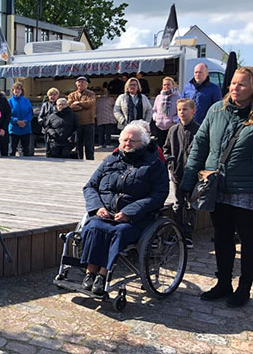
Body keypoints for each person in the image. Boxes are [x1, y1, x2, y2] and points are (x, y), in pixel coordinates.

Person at [181, 67, 253, 307]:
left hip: (246, 191)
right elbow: (199, 146)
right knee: (221, 238)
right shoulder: (216, 111)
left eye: (241, 84)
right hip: (216, 186)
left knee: (248, 241)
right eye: (233, 83)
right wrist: (188, 180)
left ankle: (244, 288)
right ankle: (223, 283)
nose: (235, 88)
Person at [80, 123, 169, 296]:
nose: (127, 144)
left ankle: (103, 274)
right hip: (105, 213)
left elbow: (159, 194)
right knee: (93, 227)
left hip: (136, 218)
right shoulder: (110, 160)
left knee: (119, 232)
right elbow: (90, 186)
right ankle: (90, 272)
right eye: (124, 140)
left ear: (143, 143)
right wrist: (97, 207)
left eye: (133, 141)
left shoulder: (153, 164)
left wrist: (130, 212)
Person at [162, 98, 199, 249]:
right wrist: (170, 165)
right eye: (179, 110)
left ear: (193, 111)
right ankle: (176, 233)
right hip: (177, 173)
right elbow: (166, 149)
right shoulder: (173, 130)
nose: (181, 112)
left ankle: (188, 235)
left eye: (185, 109)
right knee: (178, 204)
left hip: (193, 175)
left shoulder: (199, 130)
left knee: (191, 205)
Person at [67, 76, 96, 160]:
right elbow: (70, 106)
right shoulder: (72, 95)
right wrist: (82, 106)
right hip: (76, 123)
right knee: (78, 145)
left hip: (89, 123)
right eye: (79, 82)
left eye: (83, 82)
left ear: (86, 84)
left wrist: (78, 103)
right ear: (76, 84)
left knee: (89, 145)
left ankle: (90, 161)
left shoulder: (91, 94)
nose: (81, 84)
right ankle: (79, 161)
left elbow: (90, 104)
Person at [151, 77, 180, 147]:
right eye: (164, 85)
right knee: (159, 147)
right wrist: (156, 118)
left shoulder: (178, 97)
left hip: (171, 126)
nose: (166, 86)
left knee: (170, 146)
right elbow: (154, 110)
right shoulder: (159, 97)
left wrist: (174, 119)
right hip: (159, 126)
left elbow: (179, 111)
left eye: (168, 84)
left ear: (173, 85)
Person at [7, 82, 33, 156]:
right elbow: (8, 115)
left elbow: (30, 113)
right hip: (14, 129)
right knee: (12, 150)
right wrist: (16, 121)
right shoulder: (9, 101)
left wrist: (25, 121)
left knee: (26, 150)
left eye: (19, 89)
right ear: (13, 91)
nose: (17, 91)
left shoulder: (26, 100)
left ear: (21, 91)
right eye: (15, 89)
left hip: (25, 128)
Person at [37, 87, 60, 156]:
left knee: (56, 148)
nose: (52, 96)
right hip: (47, 130)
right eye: (50, 95)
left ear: (57, 96)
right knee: (48, 148)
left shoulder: (60, 104)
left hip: (57, 130)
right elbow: (40, 117)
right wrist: (45, 125)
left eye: (54, 94)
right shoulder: (45, 105)